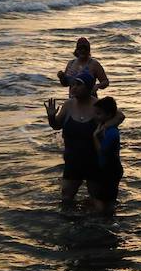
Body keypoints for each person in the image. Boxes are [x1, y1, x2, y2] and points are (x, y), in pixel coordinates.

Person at [45, 74, 102, 208]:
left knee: (96, 199)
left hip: (93, 161)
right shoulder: (68, 105)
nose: (74, 88)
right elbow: (56, 126)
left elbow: (118, 117)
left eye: (78, 84)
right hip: (72, 161)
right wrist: (51, 117)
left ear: (88, 87)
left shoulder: (98, 106)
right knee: (66, 198)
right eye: (73, 85)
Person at [91, 96, 126, 214]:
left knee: (104, 199)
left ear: (109, 115)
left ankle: (105, 218)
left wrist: (95, 137)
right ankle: (109, 217)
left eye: (99, 114)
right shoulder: (106, 128)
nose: (96, 116)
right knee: (108, 197)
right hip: (111, 168)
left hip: (110, 169)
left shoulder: (111, 132)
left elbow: (101, 151)